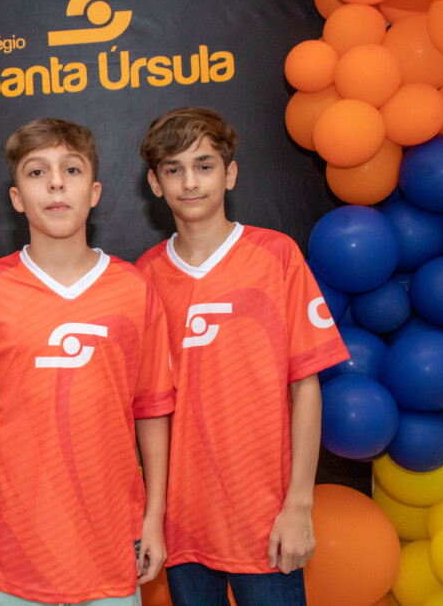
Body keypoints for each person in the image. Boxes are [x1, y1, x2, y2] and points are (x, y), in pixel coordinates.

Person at [0, 118, 174, 605]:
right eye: (37, 172)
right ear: (17, 198)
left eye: (71, 169)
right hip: (13, 550)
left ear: (94, 192)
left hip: (110, 546)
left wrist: (154, 517)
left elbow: (151, 409)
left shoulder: (134, 289)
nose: (56, 183)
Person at [135, 106, 349, 606]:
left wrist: (299, 505)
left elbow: (305, 385)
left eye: (204, 166)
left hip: (266, 520)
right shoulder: (143, 277)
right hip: (183, 523)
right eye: (174, 169)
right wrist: (153, 515)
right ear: (155, 183)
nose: (190, 182)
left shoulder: (277, 256)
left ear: (229, 174)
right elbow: (148, 409)